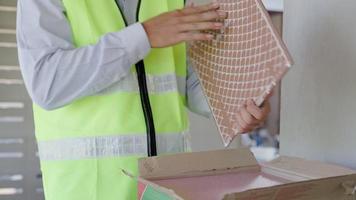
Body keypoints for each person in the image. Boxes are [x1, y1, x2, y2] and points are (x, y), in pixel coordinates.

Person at [17, 0, 271, 199]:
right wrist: (144, 36)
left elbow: (185, 81)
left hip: (167, 188)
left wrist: (239, 106)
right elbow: (47, 83)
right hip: (90, 191)